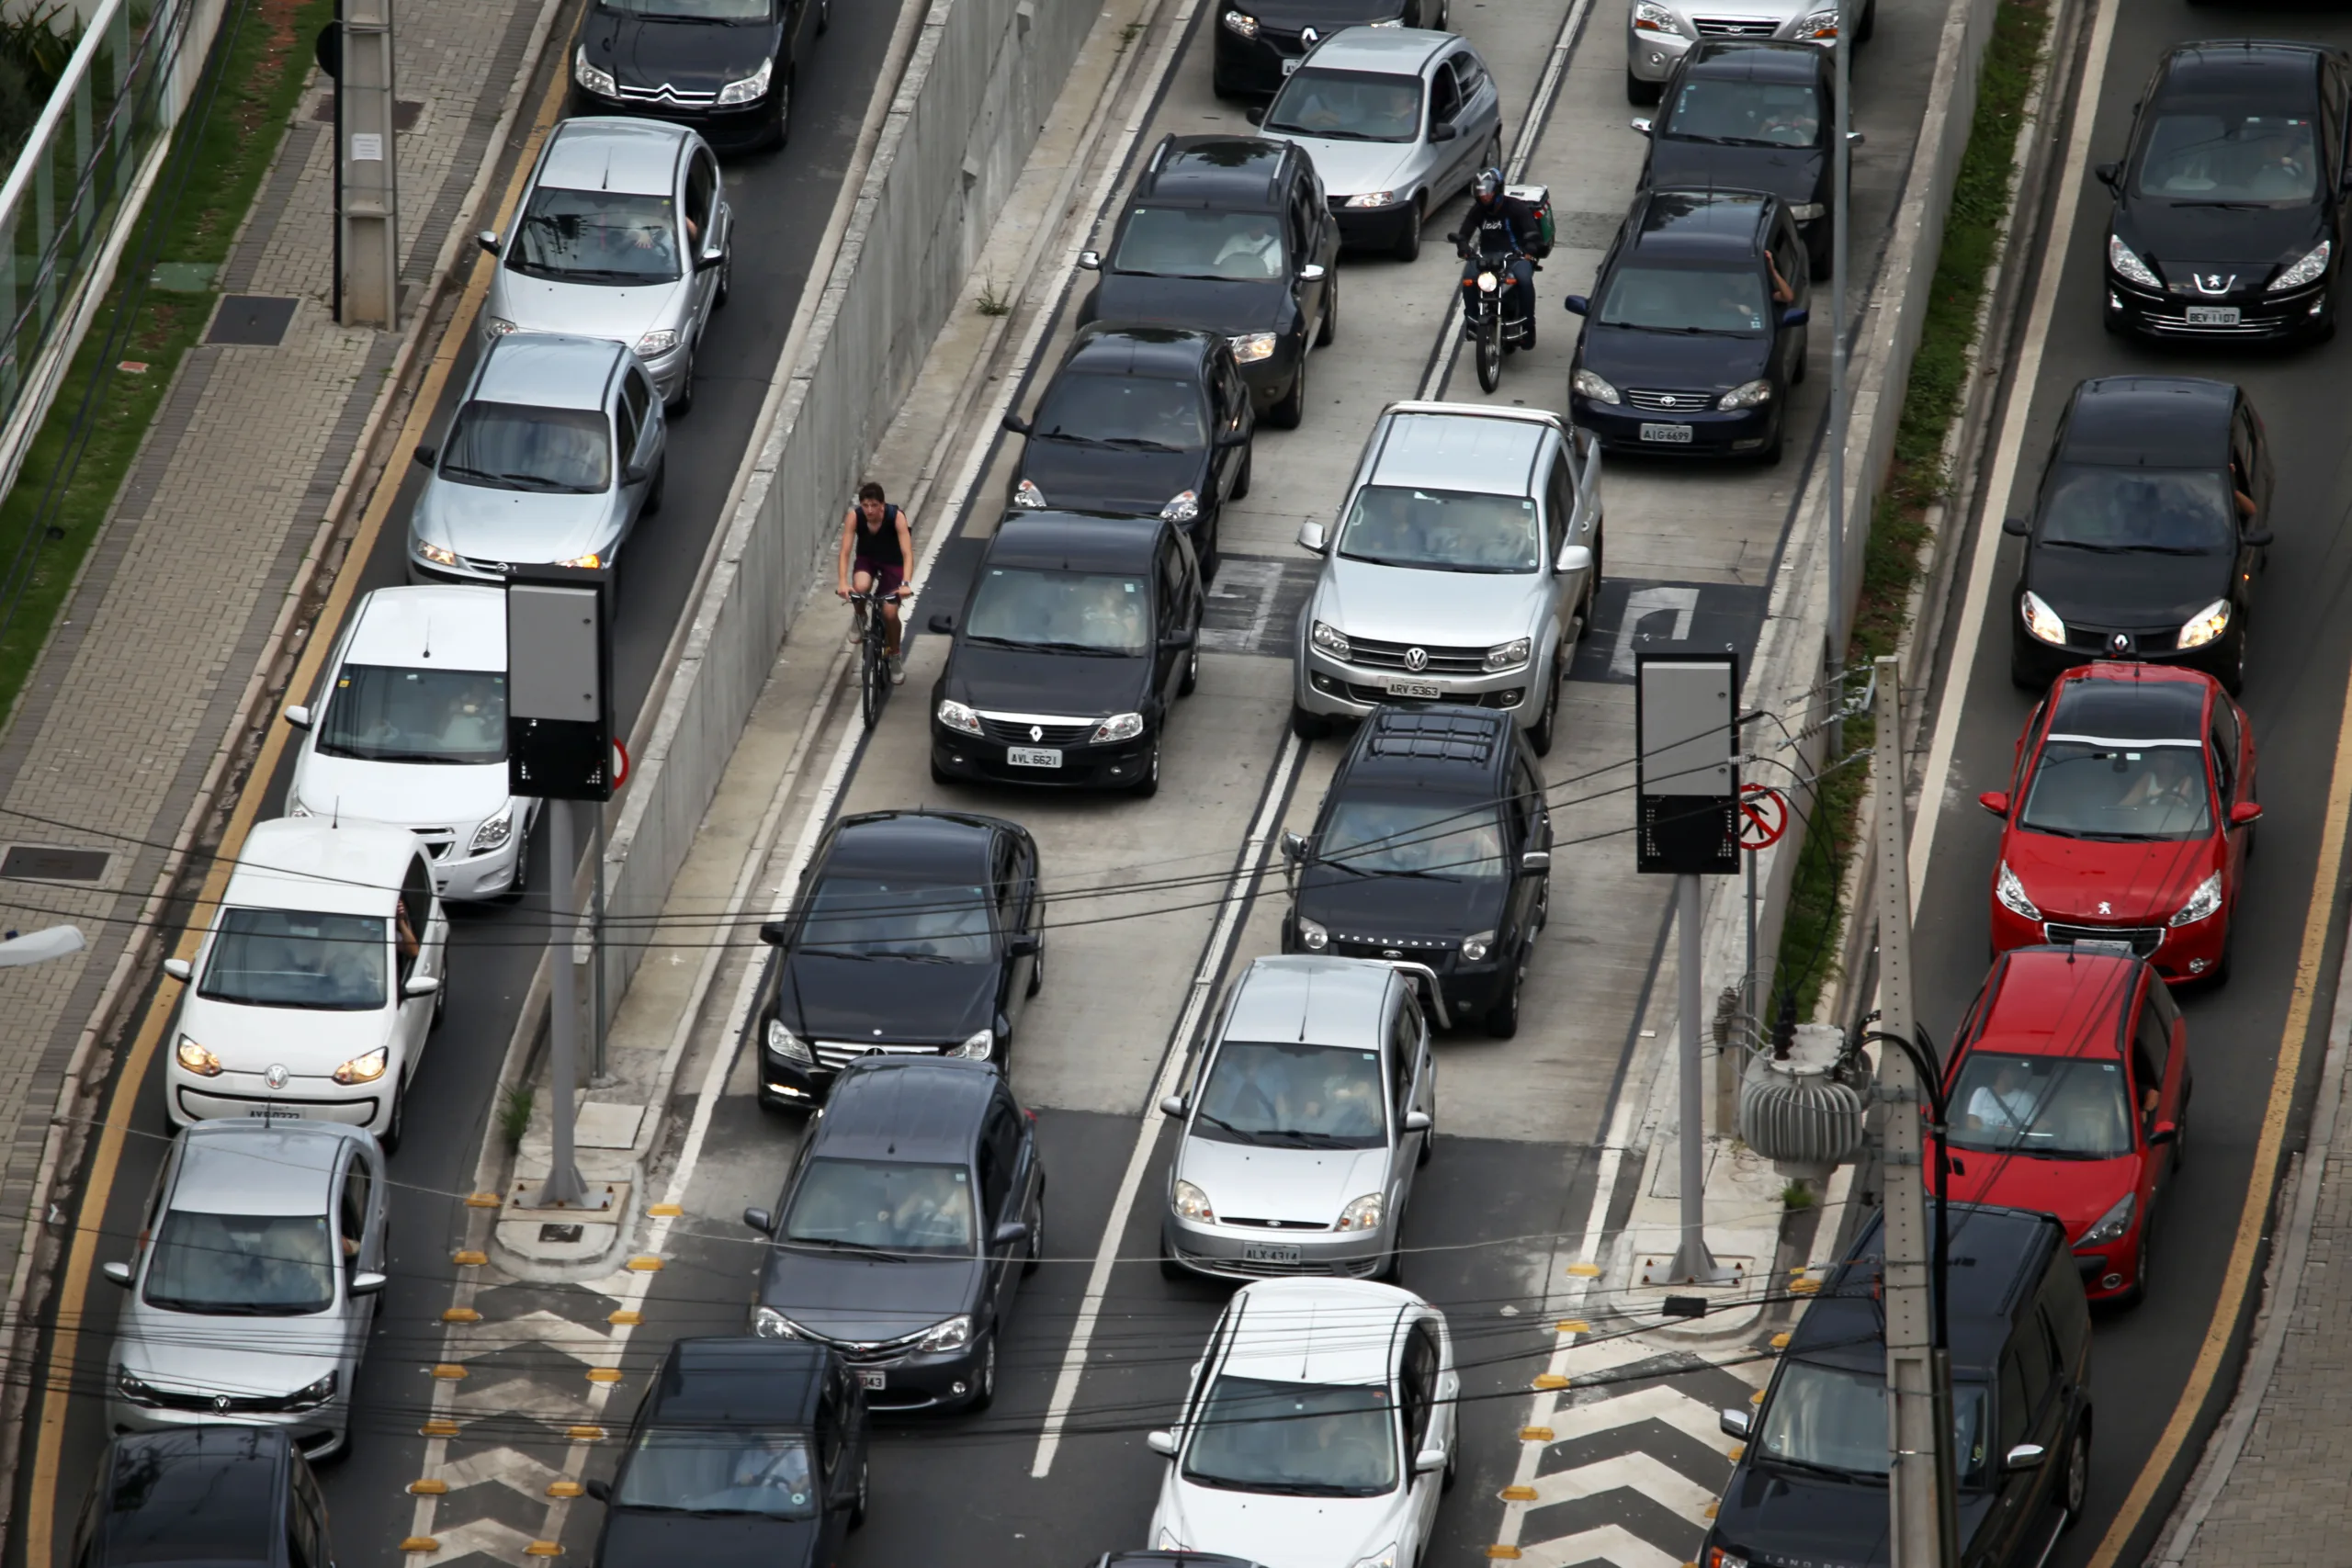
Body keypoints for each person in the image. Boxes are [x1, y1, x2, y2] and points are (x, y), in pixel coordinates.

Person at [834, 481, 916, 682]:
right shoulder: (855, 517)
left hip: (892, 562)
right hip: (867, 559)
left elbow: (907, 554)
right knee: (860, 588)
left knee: (889, 612)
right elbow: (845, 552)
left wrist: (905, 583)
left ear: (882, 505)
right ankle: (860, 616)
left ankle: (895, 654)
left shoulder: (896, 517)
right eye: (865, 505)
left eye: (873, 505)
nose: (869, 510)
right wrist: (843, 582)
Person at [1453, 169, 1540, 347]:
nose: (1485, 196)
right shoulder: (1478, 211)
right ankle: (1472, 321)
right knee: (1469, 280)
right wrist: (1463, 247)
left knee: (1524, 280)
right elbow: (1464, 233)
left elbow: (1532, 231)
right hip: (1486, 256)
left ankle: (1528, 326)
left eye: (1488, 191)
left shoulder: (1516, 207)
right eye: (1481, 192)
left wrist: (1529, 248)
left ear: (1498, 190)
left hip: (1515, 256)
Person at [1965, 1058, 2039, 1137]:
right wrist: (1995, 1130)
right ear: (2001, 1071)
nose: (2015, 1075)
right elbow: (1972, 1123)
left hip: (2012, 1142)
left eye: (2018, 1072)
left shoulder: (2026, 1098)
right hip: (1983, 1140)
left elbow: (2033, 1127)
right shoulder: (1982, 1092)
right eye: (2012, 1071)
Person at [1215, 215, 1283, 277]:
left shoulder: (1275, 243)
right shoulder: (1236, 240)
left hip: (1265, 280)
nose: (1257, 231)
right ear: (1248, 228)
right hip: (1236, 278)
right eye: (1253, 228)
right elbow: (1218, 264)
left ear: (1265, 227)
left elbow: (1279, 270)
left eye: (1260, 227)